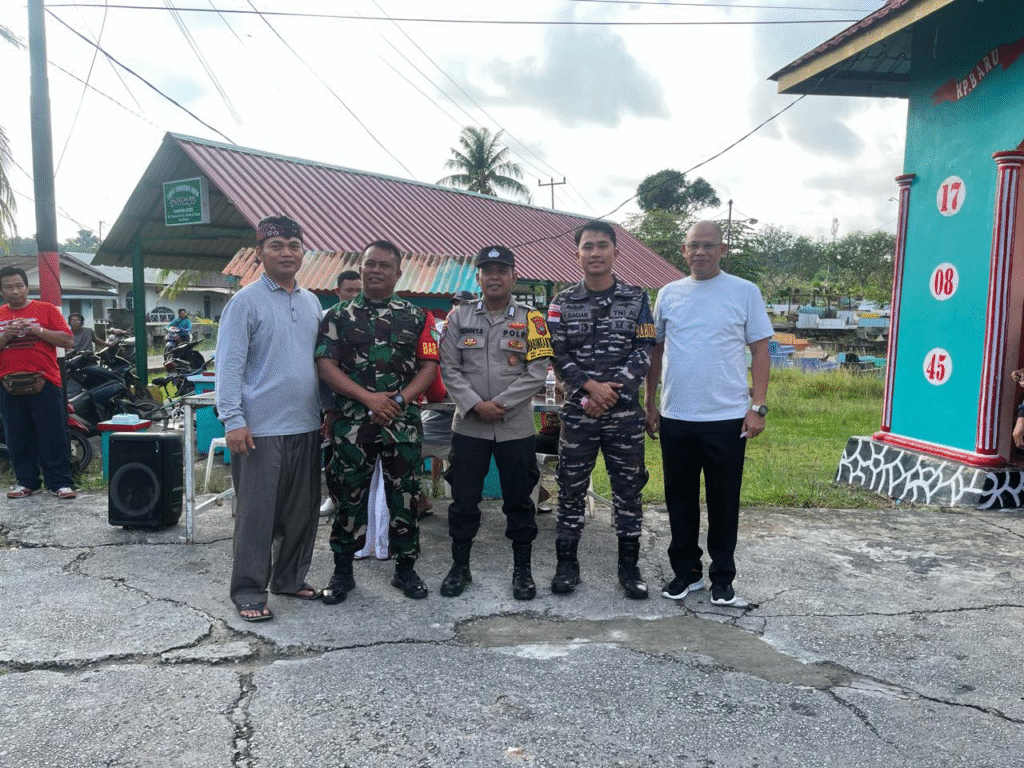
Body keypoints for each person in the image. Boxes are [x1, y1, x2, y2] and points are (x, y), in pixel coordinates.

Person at [644, 220, 773, 607]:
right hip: (676, 416)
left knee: (723, 501)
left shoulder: (744, 292)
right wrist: (650, 403)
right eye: (693, 246)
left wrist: (757, 407)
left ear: (722, 250)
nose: (700, 252)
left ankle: (722, 577)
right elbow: (655, 351)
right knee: (679, 499)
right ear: (684, 251)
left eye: (709, 245)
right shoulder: (668, 294)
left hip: (727, 418)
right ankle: (686, 572)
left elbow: (761, 351)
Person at [317, 240, 440, 602]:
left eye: (384, 265)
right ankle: (342, 572)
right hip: (352, 423)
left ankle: (406, 569)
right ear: (361, 267)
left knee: (406, 496)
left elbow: (429, 367)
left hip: (401, 424)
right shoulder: (337, 316)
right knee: (347, 496)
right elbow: (326, 365)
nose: (375, 270)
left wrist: (399, 400)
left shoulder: (418, 317)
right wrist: (368, 398)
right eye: (370, 264)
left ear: (398, 273)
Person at [215, 215, 324, 622]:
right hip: (259, 428)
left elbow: (319, 363)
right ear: (259, 253)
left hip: (306, 424)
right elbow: (229, 364)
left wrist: (326, 410)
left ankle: (289, 578)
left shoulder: (312, 302)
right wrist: (232, 419)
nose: (286, 253)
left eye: (294, 245)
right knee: (256, 516)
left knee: (301, 513)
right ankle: (248, 590)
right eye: (276, 246)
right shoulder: (245, 302)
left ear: (303, 252)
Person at [546, 220, 656, 599]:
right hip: (579, 413)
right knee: (570, 487)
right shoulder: (561, 303)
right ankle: (567, 566)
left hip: (623, 414)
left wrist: (610, 392)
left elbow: (644, 351)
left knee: (628, 489)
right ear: (577, 255)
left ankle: (629, 568)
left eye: (602, 245)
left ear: (615, 252)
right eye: (588, 246)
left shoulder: (637, 299)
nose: (595, 253)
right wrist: (591, 389)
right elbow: (558, 354)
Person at [438, 245, 552, 600]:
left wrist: (499, 405)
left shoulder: (532, 319)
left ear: (514, 276)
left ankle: (522, 571)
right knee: (463, 500)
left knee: (520, 501)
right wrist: (476, 405)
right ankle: (460, 567)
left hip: (514, 427)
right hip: (469, 426)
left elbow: (537, 371)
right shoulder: (459, 317)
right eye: (488, 271)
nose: (495, 277)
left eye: (502, 270)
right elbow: (449, 368)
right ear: (478, 278)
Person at [0, 267, 77, 500]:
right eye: (8, 287)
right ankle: (26, 482)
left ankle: (60, 483)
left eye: (19, 286)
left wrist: (37, 330)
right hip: (8, 384)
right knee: (17, 435)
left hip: (46, 381)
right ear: (1, 291)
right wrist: (7, 334)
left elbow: (68, 340)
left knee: (52, 433)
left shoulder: (46, 309)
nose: (15, 291)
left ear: (27, 287)